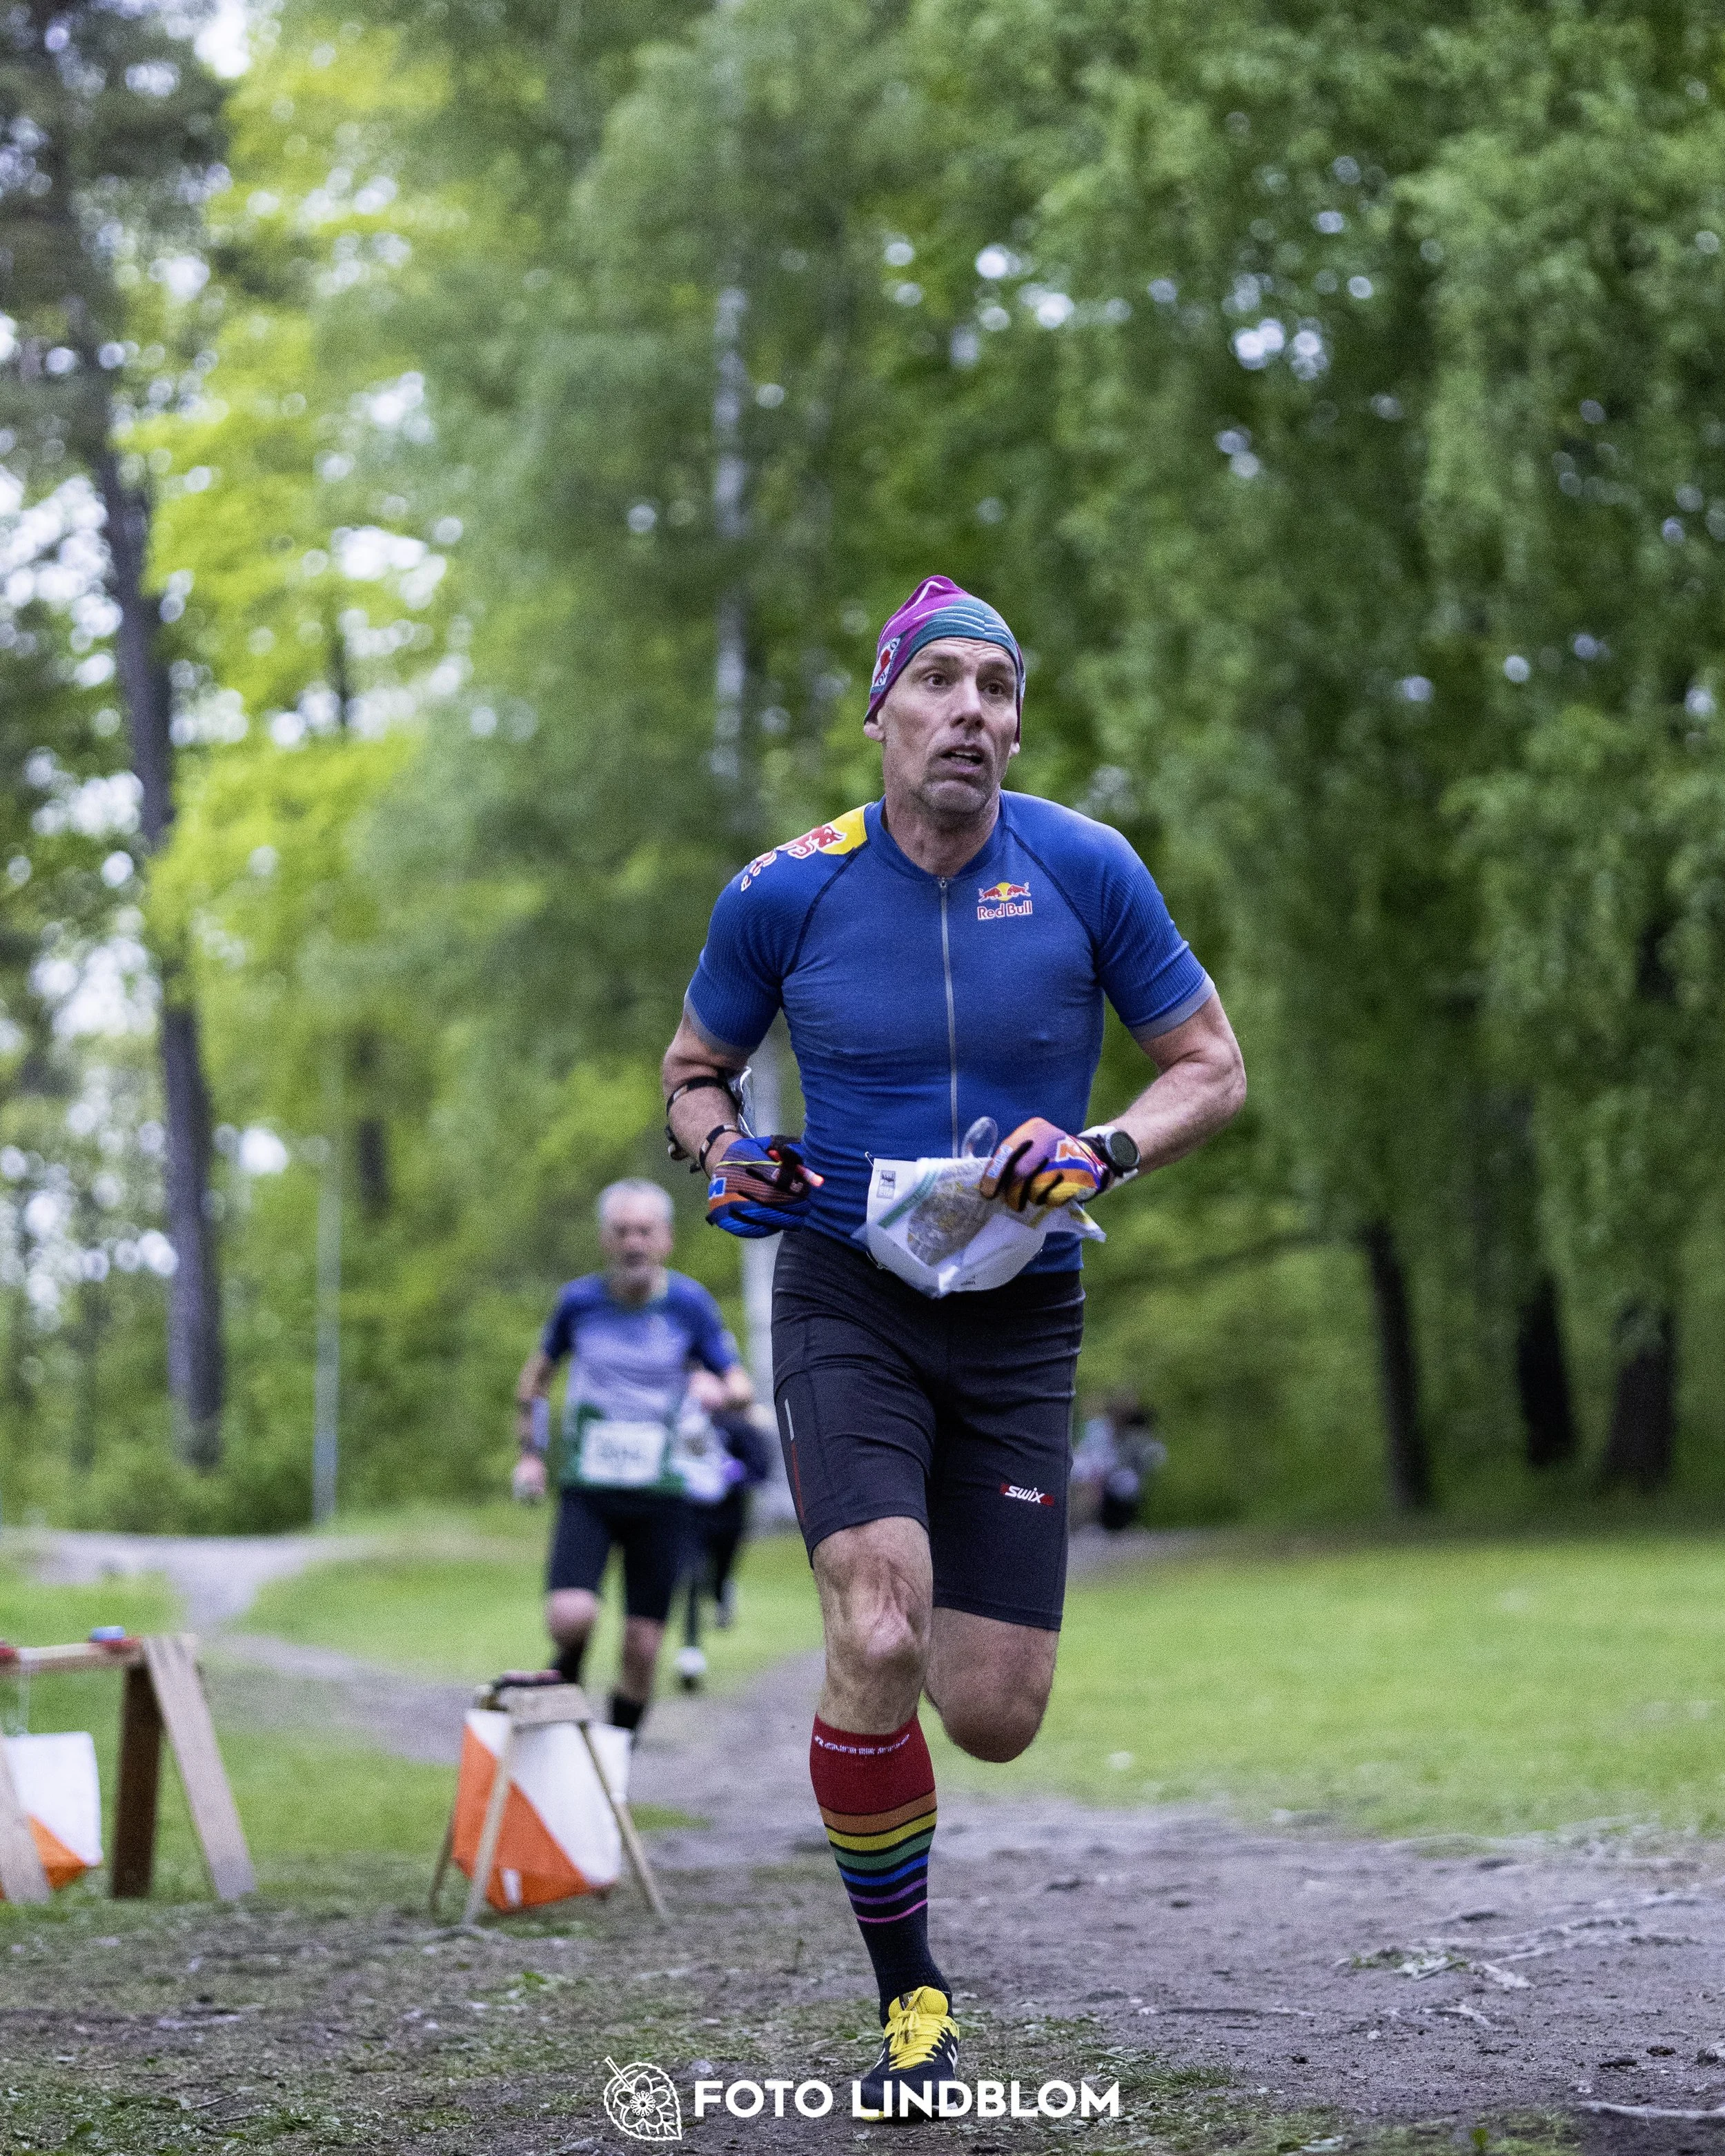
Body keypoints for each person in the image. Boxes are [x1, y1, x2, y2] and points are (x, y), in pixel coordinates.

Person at [660, 575, 1246, 2112]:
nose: (971, 711)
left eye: (996, 687)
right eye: (939, 682)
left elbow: (1209, 1066)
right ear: (880, 713)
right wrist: (722, 1151)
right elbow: (692, 1072)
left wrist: (1106, 1147)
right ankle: (911, 2004)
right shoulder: (780, 890)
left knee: (988, 1709)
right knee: (873, 1625)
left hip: (1019, 1303)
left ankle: (886, 1750)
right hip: (844, 1287)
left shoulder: (1085, 867)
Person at [512, 1178, 753, 1733]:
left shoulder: (690, 1305)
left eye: (645, 1230)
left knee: (643, 1648)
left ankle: (615, 1764)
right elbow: (535, 1381)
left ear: (665, 1239)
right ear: (605, 1238)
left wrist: (720, 1391)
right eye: (622, 1231)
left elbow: (738, 1384)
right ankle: (567, 1668)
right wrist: (531, 1454)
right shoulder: (579, 1302)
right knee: (571, 1615)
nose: (633, 1242)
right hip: (590, 1487)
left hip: (663, 1492)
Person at [672, 1371, 775, 1688]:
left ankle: (722, 1591)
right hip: (690, 1515)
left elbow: (760, 1469)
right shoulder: (679, 1423)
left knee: (719, 1573)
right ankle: (690, 1650)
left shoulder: (739, 1427)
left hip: (728, 1517)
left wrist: (733, 1476)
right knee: (691, 1576)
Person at [1071, 1394, 1167, 1532]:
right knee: (1087, 1482)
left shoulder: (1134, 1433)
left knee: (1120, 1483)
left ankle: (1112, 1523)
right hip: (1097, 1469)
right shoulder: (1098, 1428)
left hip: (1117, 1474)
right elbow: (1087, 1451)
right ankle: (1086, 1524)